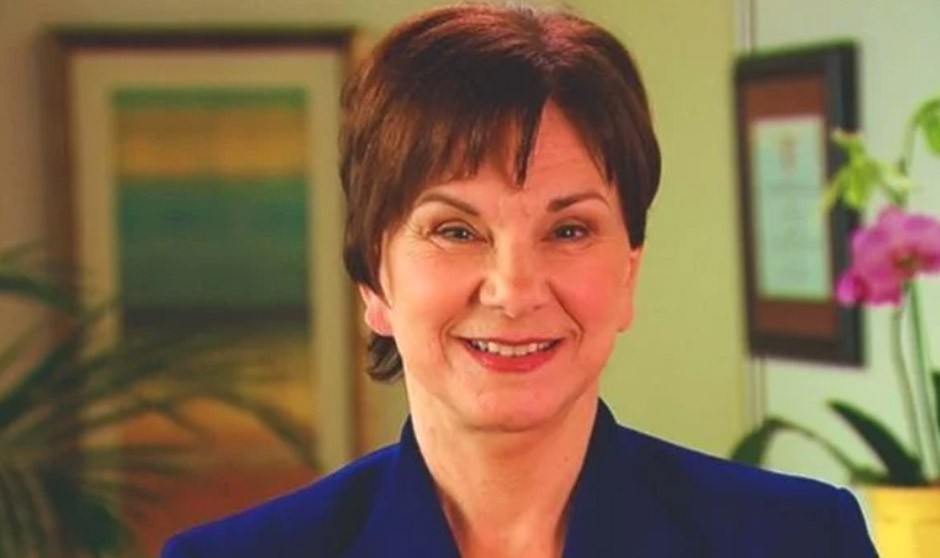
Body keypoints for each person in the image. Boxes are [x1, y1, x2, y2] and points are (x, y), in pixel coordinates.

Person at [163, 3, 878, 557]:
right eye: (456, 231)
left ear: (628, 272)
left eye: (568, 231)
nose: (514, 289)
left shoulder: (800, 539)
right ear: (373, 282)